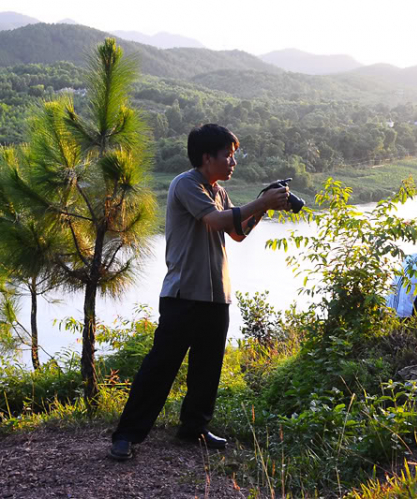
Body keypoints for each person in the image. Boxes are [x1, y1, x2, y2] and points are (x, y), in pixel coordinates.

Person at [109, 124, 291, 461]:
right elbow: (217, 222)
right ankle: (127, 436)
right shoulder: (186, 184)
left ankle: (193, 428)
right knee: (161, 366)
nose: (233, 162)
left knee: (208, 367)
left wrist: (264, 207)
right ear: (207, 157)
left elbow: (237, 232)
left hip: (216, 295)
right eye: (228, 156)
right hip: (183, 294)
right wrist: (260, 201)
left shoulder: (217, 190)